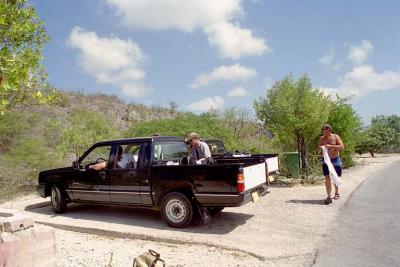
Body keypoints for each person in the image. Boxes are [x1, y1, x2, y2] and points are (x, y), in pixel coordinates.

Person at [319, 124, 344, 204]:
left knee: (336, 177)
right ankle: (329, 196)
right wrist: (321, 148)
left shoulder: (335, 137)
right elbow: (318, 148)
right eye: (322, 130)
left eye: (324, 130)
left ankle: (336, 193)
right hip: (326, 160)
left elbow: (342, 147)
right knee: (327, 178)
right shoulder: (322, 138)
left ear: (329, 130)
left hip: (335, 160)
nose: (323, 131)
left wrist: (331, 146)